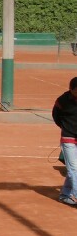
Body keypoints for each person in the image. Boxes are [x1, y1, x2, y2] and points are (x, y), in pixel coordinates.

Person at [52, 76, 77, 206]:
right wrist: (66, 127)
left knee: (74, 170)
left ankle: (65, 195)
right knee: (73, 169)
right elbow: (56, 116)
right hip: (68, 138)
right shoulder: (62, 101)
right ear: (71, 89)